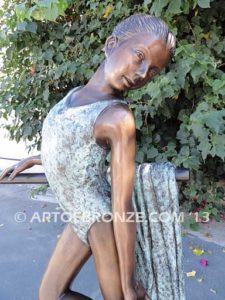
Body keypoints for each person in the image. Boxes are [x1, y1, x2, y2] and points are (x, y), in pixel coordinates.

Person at [0, 14, 176, 300]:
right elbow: (74, 147)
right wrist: (35, 159)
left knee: (118, 298)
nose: (143, 73)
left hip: (100, 221)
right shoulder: (77, 94)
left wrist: (129, 281)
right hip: (79, 215)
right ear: (111, 44)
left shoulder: (118, 118)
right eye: (139, 56)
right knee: (49, 295)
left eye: (153, 71)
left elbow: (123, 204)